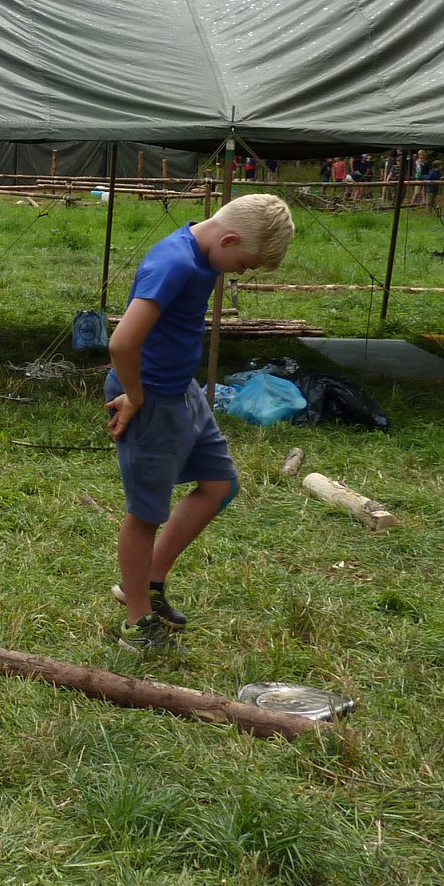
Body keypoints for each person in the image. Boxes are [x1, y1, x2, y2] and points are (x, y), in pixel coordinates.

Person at [106, 193, 295, 650]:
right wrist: (135, 395)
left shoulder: (206, 249)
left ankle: (148, 583)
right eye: (244, 264)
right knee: (145, 514)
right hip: (149, 398)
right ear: (228, 239)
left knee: (220, 486)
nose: (240, 273)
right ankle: (136, 622)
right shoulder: (174, 264)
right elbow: (121, 343)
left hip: (182, 390)